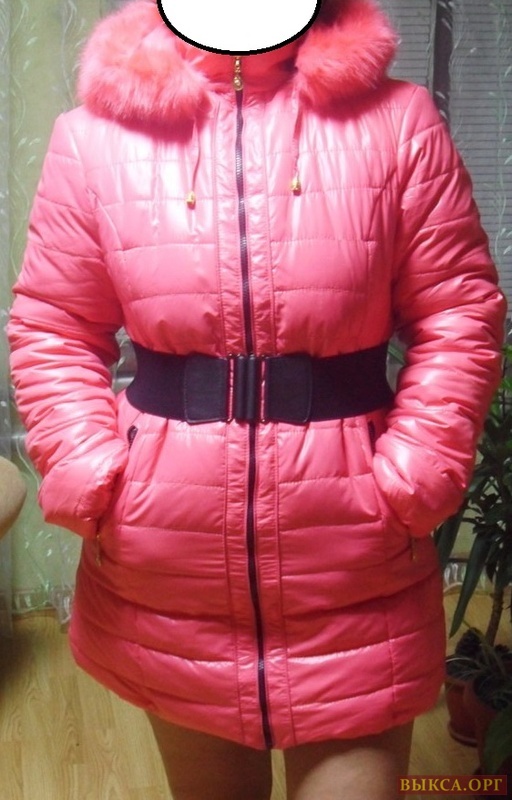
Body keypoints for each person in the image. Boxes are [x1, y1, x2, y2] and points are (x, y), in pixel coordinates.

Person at [8, 1, 507, 798]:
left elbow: (459, 311)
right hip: (167, 560)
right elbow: (54, 325)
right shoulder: (95, 138)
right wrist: (92, 473)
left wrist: (415, 475)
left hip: (355, 559)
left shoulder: (397, 122)